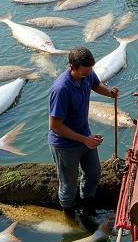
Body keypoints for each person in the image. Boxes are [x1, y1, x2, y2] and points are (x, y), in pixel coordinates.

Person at [48, 46, 119, 214]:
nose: (87, 75)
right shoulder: (61, 89)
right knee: (68, 185)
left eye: (89, 71)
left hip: (84, 134)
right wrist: (84, 140)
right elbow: (55, 127)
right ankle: (69, 216)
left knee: (94, 173)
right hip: (65, 145)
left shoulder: (86, 74)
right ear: (71, 67)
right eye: (84, 73)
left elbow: (95, 84)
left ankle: (87, 208)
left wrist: (109, 93)